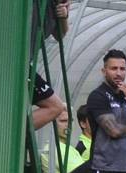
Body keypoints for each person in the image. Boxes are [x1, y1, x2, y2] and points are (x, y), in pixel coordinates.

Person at [31, 0, 70, 130]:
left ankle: (19, 134)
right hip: (13, 61)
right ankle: (15, 133)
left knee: (56, 106)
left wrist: (63, 16)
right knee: (55, 106)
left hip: (26, 65)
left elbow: (60, 35)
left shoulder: (58, 4)